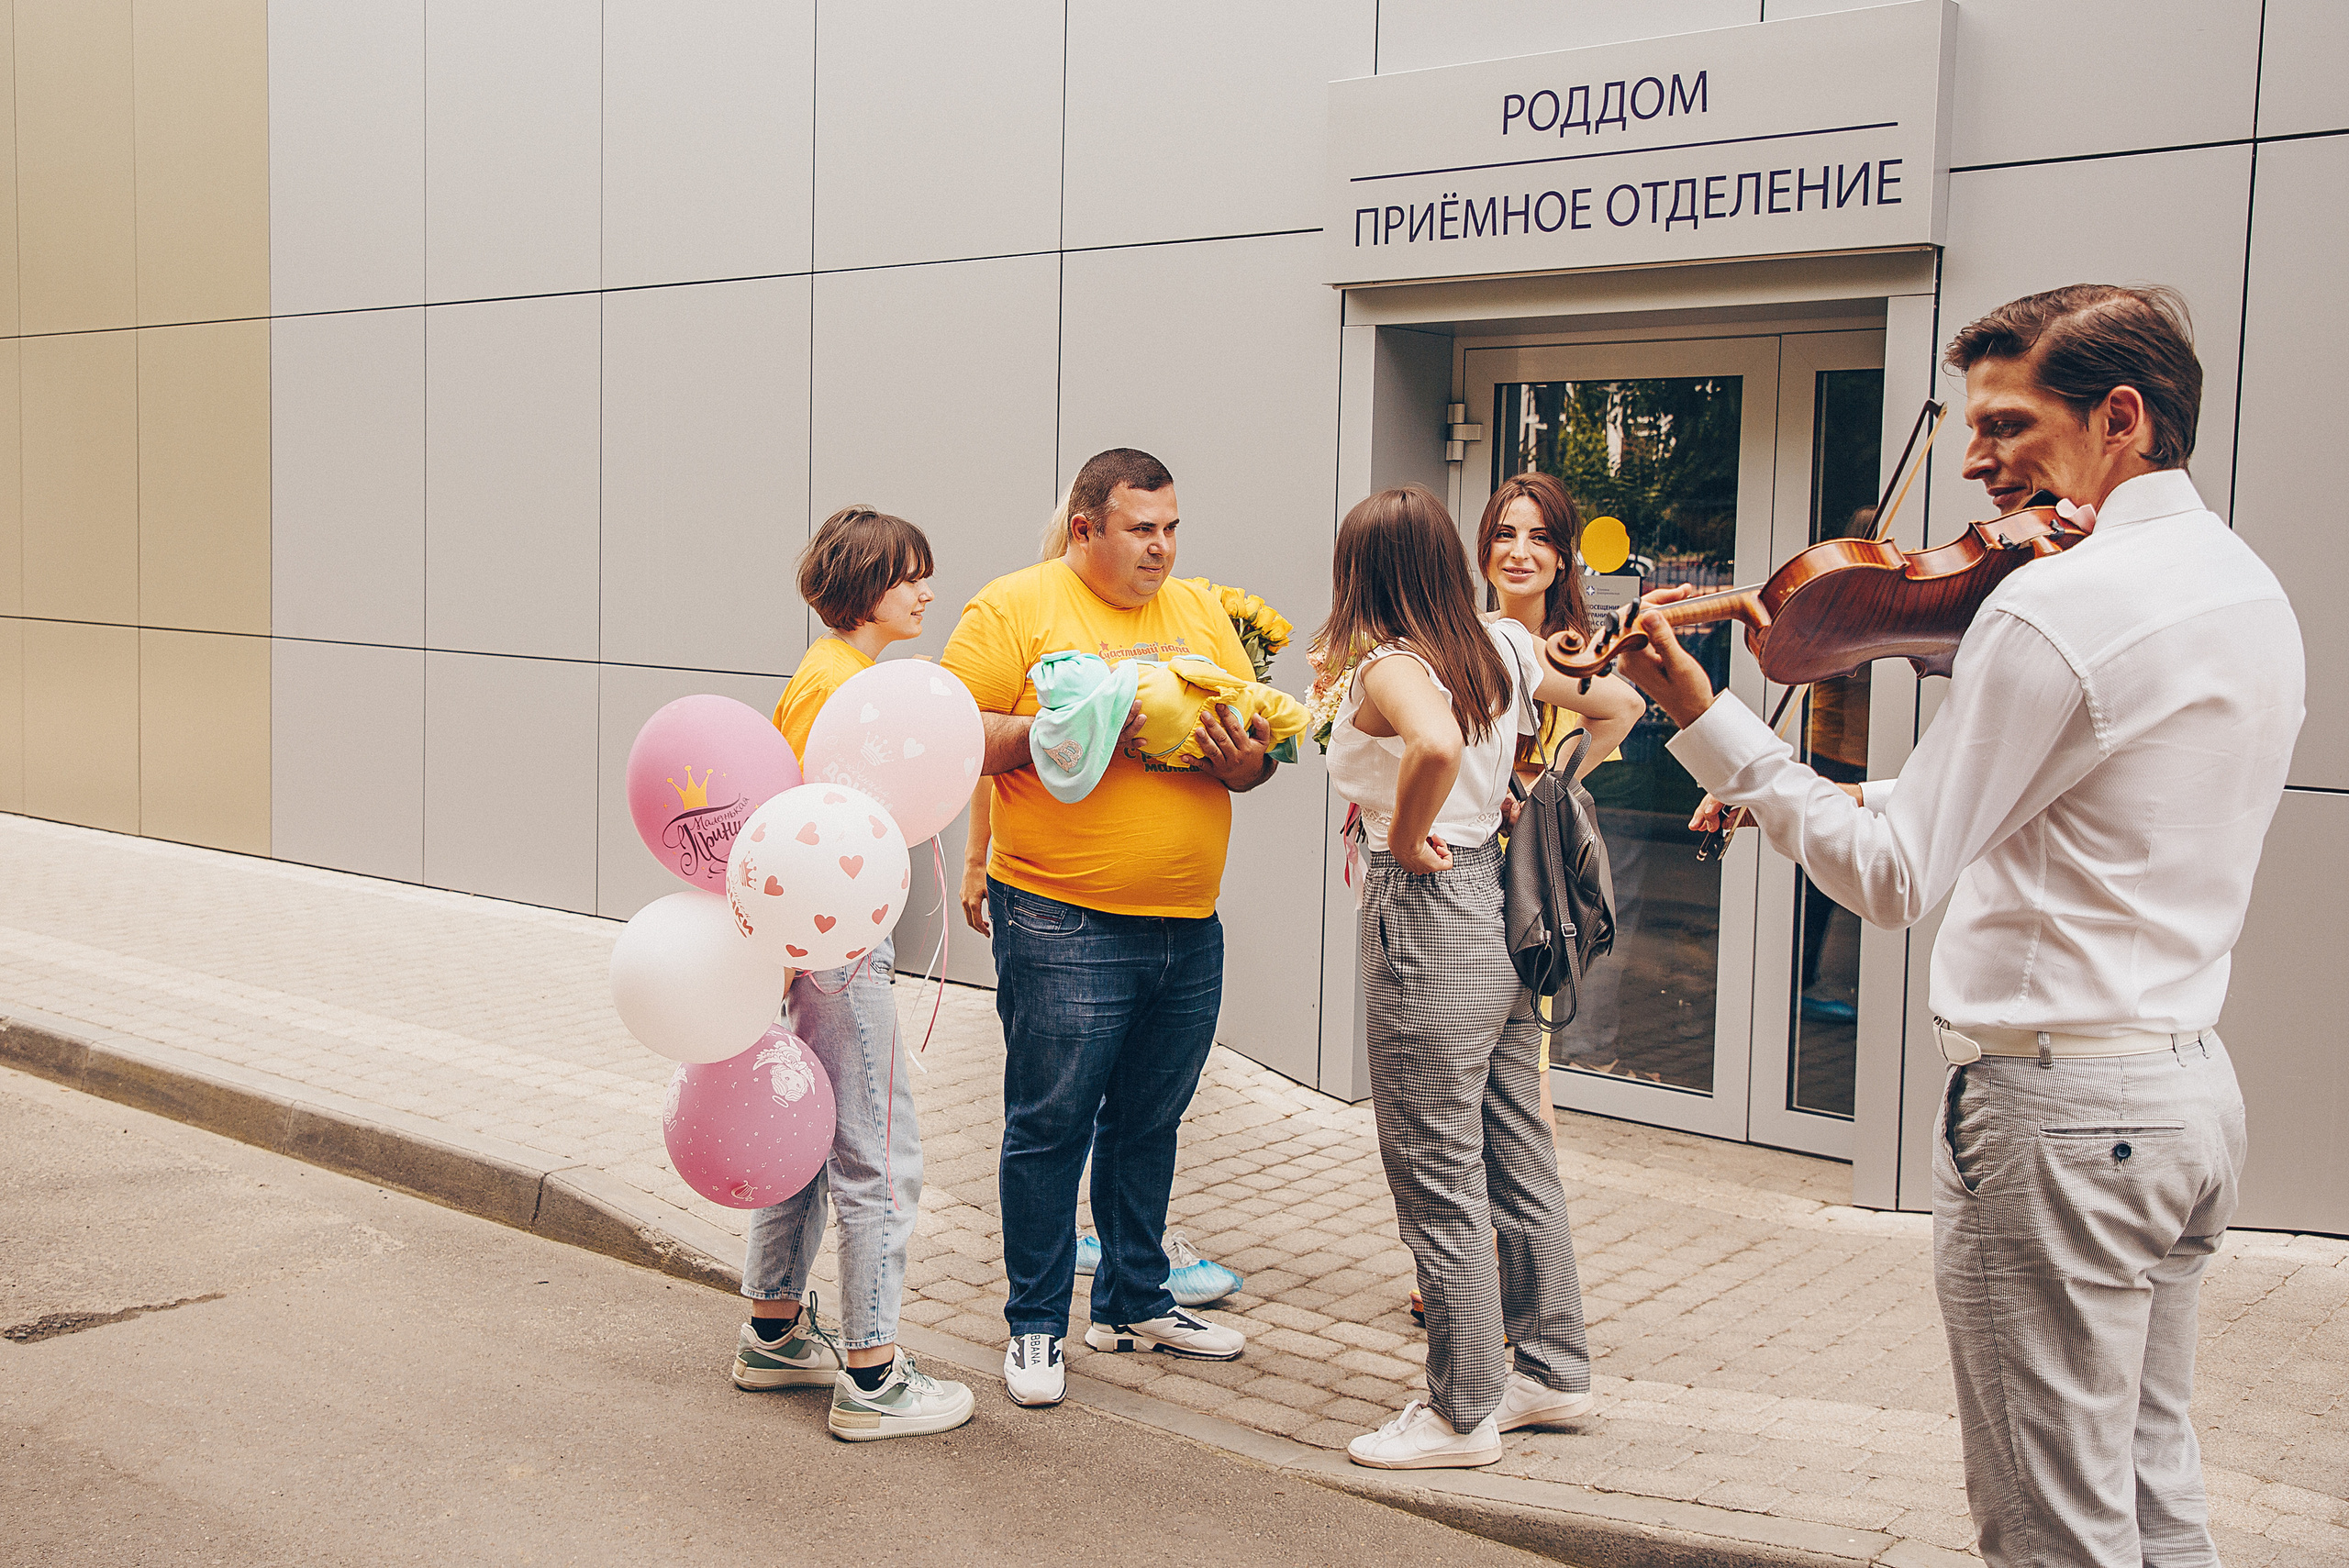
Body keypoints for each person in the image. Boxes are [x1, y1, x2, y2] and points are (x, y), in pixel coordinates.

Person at [1616, 285, 2303, 1567]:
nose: (1978, 460)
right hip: (2185, 1099)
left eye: (2006, 421)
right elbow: (2085, 800)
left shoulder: (2055, 609)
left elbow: (1893, 876)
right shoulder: (2243, 585)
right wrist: (1818, 789)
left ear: (2119, 417)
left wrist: (1717, 730)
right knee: (2158, 1494)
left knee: (2053, 1532)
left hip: (2059, 1117)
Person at [940, 448, 1277, 1408]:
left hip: (1185, 921)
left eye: (1171, 527)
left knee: (1149, 1124)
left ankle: (1135, 1298)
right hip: (1058, 915)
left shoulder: (1199, 612)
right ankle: (1037, 1322)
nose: (1161, 548)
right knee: (1047, 1126)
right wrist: (1077, 726)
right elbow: (953, 729)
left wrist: (1245, 759)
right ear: (1086, 526)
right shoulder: (1013, 606)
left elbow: (1250, 765)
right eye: (1142, 528)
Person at [1319, 485, 1638, 1471]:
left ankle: (1460, 1410)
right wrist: (1544, 785)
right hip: (1495, 912)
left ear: (1361, 572)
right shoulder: (1499, 643)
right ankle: (1551, 1367)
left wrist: (1409, 836)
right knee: (1513, 1147)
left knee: (1434, 1164)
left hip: (1426, 911)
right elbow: (1620, 702)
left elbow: (1437, 742)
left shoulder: (1390, 664)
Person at [729, 505, 975, 1442]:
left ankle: (772, 1329)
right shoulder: (847, 690)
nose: (925, 590)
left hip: (808, 939)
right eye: (912, 574)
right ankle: (872, 1375)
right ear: (869, 585)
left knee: (808, 1133)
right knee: (876, 1152)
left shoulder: (824, 674)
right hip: (839, 945)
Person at [1475, 471, 1641, 1133]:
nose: (1520, 552)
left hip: (1528, 886)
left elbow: (1619, 715)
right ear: (1484, 546)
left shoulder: (1570, 650)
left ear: (1563, 555)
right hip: (1463, 871)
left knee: (1522, 1073)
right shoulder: (1467, 632)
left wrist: (1545, 795)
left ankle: (1525, 1231)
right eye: (1505, 534)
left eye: (1540, 538)